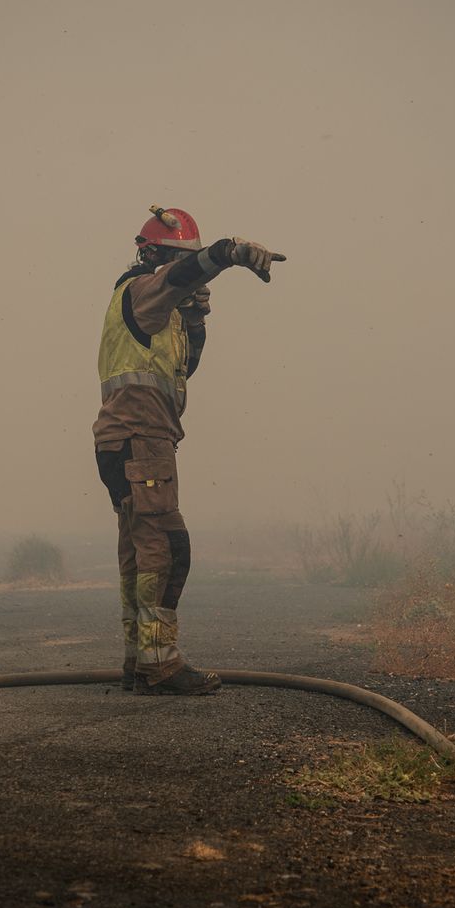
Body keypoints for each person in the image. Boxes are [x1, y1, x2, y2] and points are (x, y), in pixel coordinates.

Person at [93, 205, 285, 695]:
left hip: (126, 443)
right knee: (168, 550)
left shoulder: (154, 313)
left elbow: (183, 373)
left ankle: (139, 661)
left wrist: (196, 320)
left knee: (139, 555)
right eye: (181, 262)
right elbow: (181, 273)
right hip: (141, 439)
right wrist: (227, 253)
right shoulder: (142, 289)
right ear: (156, 256)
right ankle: (161, 666)